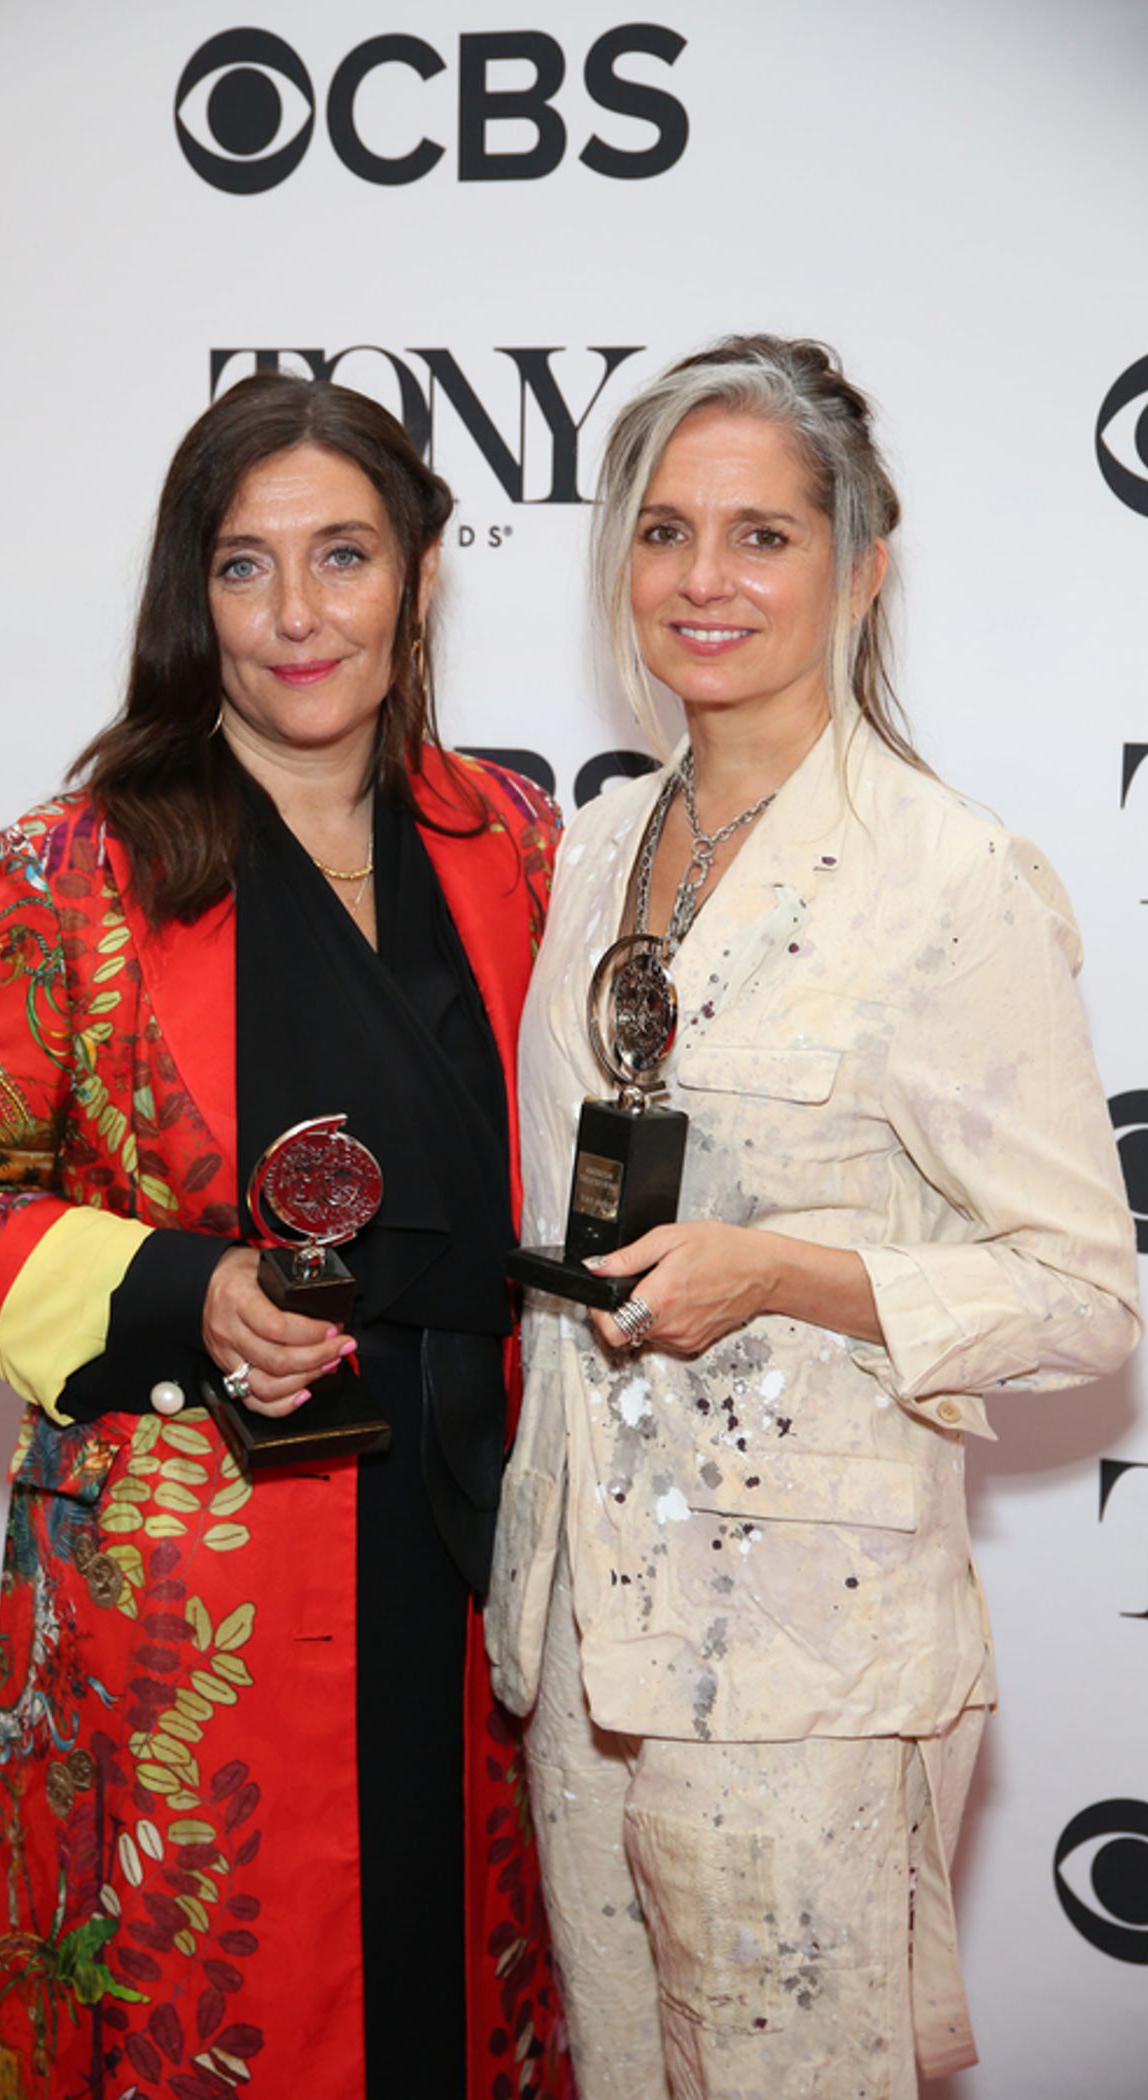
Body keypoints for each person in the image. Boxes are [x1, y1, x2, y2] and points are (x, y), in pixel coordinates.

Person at [0, 373, 572, 2100]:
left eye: (343, 556)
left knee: (462, 2018)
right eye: (248, 569)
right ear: (196, 596)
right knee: (225, 2026)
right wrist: (189, 1290)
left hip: (483, 1563)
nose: (300, 616)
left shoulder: (520, 844)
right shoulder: (74, 868)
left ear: (418, 573)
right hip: (194, 1601)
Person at [485, 335, 1141, 2100]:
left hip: (805, 1662)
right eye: (666, 532)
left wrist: (787, 1274)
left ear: (860, 566)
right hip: (575, 1639)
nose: (707, 582)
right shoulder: (600, 844)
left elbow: (1088, 1295)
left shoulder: (951, 879)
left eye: (763, 536)